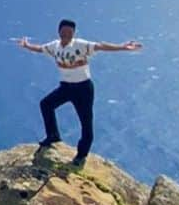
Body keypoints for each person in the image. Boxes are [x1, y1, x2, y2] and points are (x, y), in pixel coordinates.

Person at [15, 19, 142, 169]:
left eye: (70, 32)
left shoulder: (80, 45)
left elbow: (100, 46)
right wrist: (27, 45)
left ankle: (81, 155)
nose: (66, 35)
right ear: (59, 31)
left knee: (86, 123)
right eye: (64, 32)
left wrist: (122, 47)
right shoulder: (54, 46)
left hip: (83, 89)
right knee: (46, 104)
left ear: (74, 34)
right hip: (66, 87)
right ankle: (53, 135)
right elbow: (40, 49)